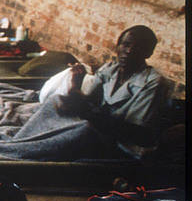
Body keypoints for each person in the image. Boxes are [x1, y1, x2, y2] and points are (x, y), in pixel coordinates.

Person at [58, 25, 172, 158]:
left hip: (122, 147)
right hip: (94, 131)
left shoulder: (153, 83)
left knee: (67, 139)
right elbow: (87, 101)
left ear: (148, 53)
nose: (129, 51)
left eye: (138, 48)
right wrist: (75, 86)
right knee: (53, 103)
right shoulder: (110, 69)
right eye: (126, 45)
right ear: (117, 47)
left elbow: (136, 132)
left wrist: (87, 112)